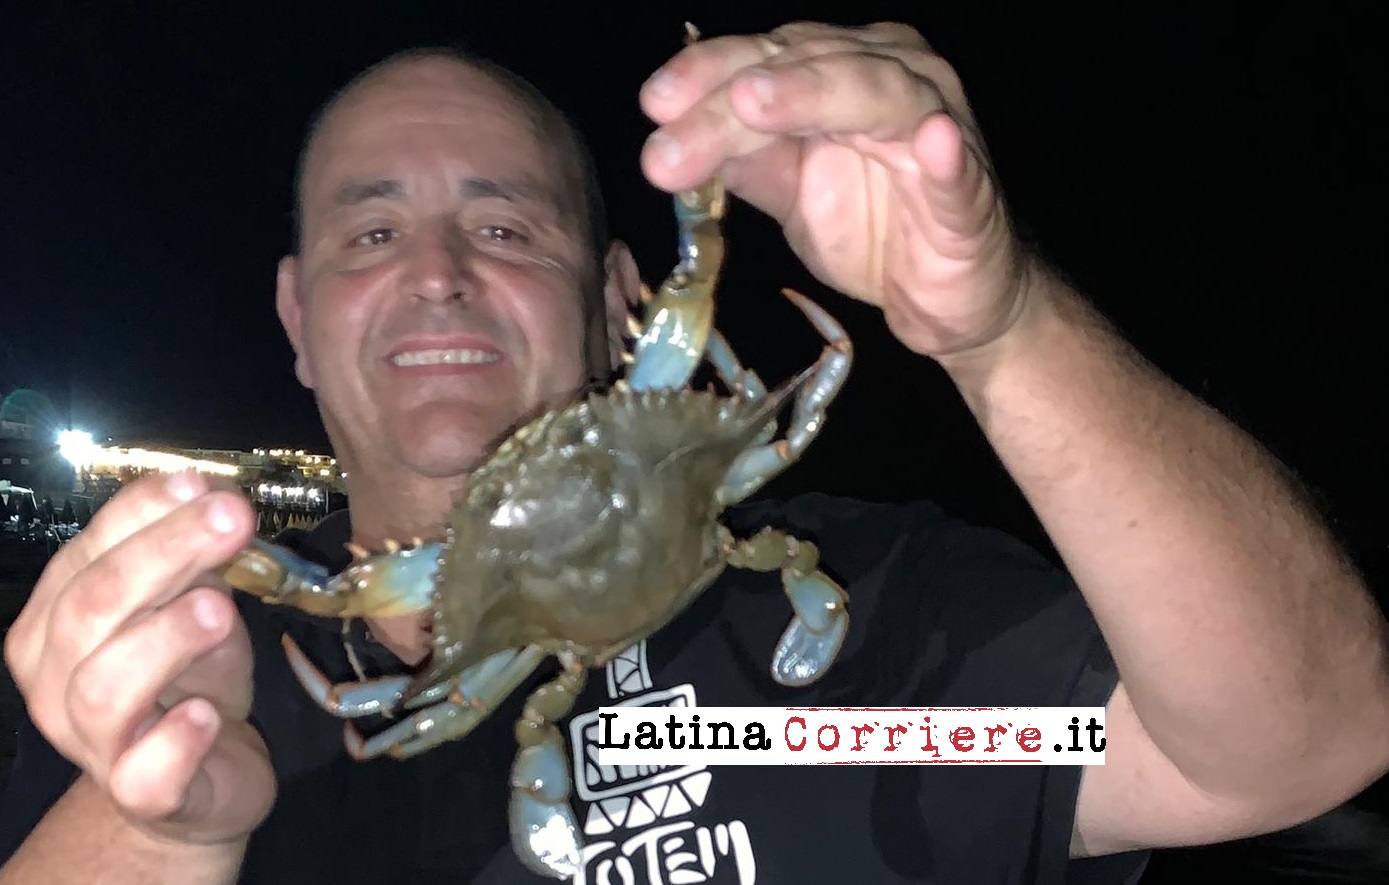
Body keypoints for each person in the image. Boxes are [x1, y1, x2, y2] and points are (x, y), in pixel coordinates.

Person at [1, 19, 1386, 885]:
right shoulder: (164, 686)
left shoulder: (881, 645)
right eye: (371, 232)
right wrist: (158, 835)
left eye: (504, 226)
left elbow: (1296, 744)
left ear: (626, 301)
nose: (436, 274)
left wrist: (1003, 328)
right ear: (298, 319)